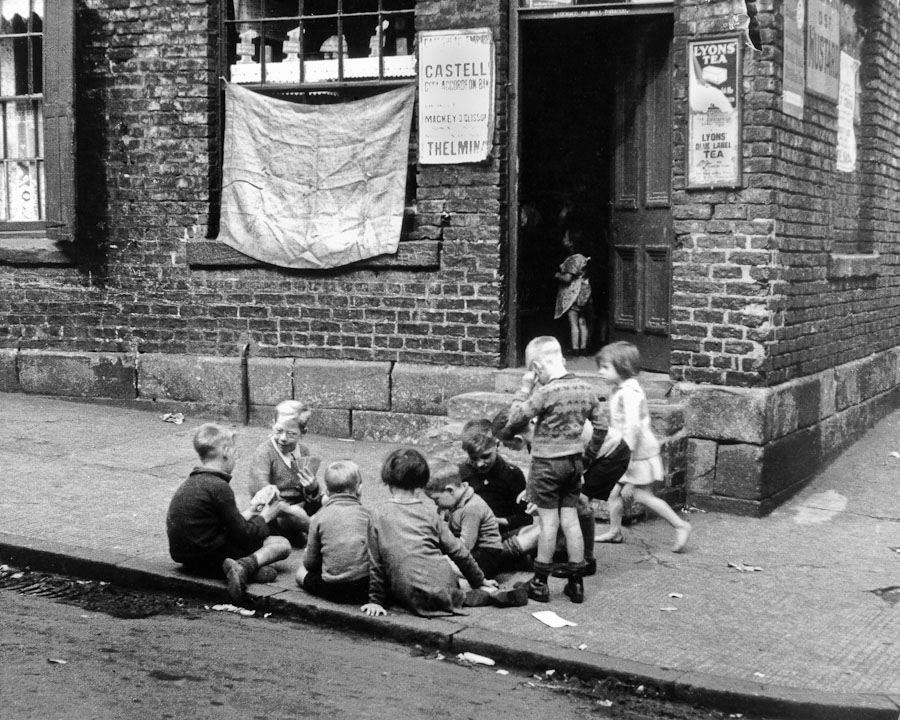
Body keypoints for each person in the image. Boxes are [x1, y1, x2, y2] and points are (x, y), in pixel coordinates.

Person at [499, 336, 609, 604]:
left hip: (547, 465)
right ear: (562, 359)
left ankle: (540, 583)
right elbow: (602, 427)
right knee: (571, 522)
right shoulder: (586, 388)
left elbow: (514, 420)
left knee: (549, 523)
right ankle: (576, 583)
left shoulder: (545, 393)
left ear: (536, 368)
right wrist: (587, 457)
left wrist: (524, 389)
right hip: (574, 463)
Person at [360, 449, 528, 618]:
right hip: (443, 583)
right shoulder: (429, 514)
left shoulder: (377, 514)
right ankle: (483, 594)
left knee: (401, 576)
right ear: (420, 484)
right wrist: (479, 581)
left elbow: (376, 562)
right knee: (449, 582)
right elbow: (460, 552)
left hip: (409, 594)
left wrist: (376, 600)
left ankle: (468, 595)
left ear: (387, 480)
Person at [166, 423, 292, 604]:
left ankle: (236, 569)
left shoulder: (194, 482)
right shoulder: (220, 487)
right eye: (235, 452)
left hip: (188, 558)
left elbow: (229, 523)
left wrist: (254, 508)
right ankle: (243, 566)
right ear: (225, 451)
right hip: (211, 555)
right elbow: (243, 533)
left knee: (268, 572)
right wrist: (267, 516)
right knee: (281, 544)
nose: (236, 457)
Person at [594, 341, 691, 552]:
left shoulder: (629, 392)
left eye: (605, 367)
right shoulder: (620, 389)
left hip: (636, 453)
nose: (600, 372)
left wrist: (623, 458)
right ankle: (615, 530)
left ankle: (680, 525)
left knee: (642, 495)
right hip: (629, 451)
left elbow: (632, 427)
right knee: (613, 492)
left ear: (623, 367)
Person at [248, 400, 323, 546]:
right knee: (294, 514)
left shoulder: (303, 451)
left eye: (291, 434)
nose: (283, 438)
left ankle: (305, 531)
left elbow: (311, 494)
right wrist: (282, 503)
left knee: (327, 499)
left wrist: (312, 488)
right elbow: (260, 488)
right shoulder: (264, 453)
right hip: (277, 513)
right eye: (279, 430)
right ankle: (318, 535)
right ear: (273, 424)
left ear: (303, 433)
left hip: (300, 505)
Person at [296, 460, 371, 605]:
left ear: (327, 491)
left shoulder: (319, 517)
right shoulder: (368, 514)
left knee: (300, 572)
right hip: (365, 588)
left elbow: (310, 563)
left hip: (334, 588)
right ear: (359, 489)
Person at [426, 461, 504, 579]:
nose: (436, 503)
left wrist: (443, 557)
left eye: (436, 499)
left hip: (485, 555)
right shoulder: (452, 503)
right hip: (470, 551)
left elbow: (466, 545)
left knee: (439, 566)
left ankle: (483, 586)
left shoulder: (471, 507)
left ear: (450, 490)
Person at [554, 227, 592, 355]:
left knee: (573, 323)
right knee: (583, 321)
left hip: (574, 294)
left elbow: (568, 278)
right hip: (585, 293)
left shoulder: (574, 259)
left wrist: (557, 275)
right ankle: (584, 347)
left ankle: (575, 348)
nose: (563, 239)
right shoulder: (583, 258)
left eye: (565, 237)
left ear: (571, 242)